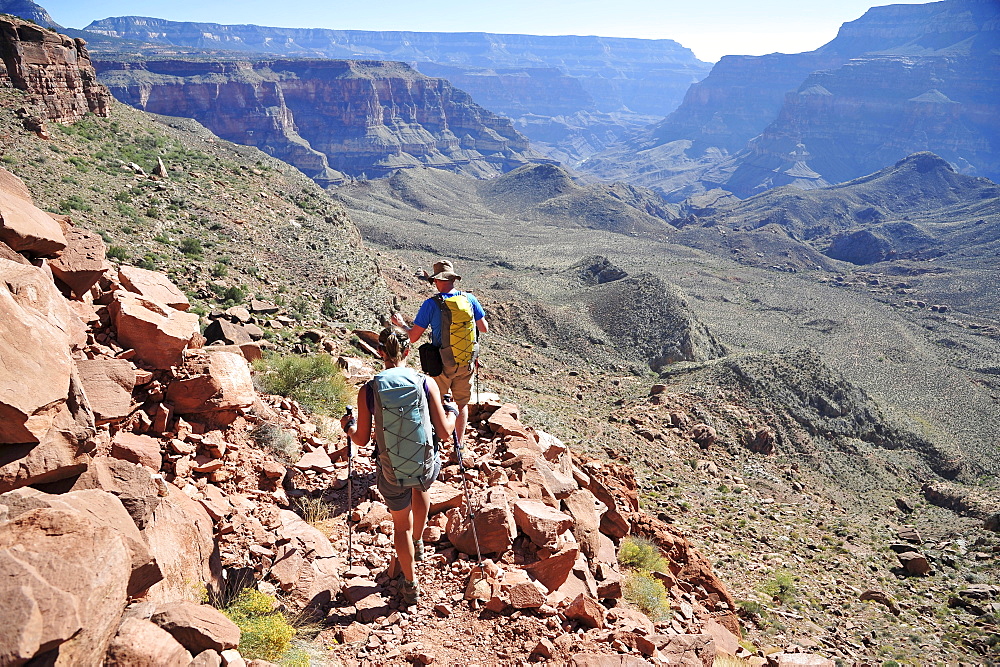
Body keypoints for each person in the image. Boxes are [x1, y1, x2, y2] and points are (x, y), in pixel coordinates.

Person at [341, 327, 458, 604]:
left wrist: (348, 427)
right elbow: (443, 432)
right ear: (407, 352)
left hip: (391, 470)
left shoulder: (368, 390)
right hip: (424, 464)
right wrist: (452, 412)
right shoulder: (426, 382)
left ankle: (410, 584)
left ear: (380, 352)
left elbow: (360, 439)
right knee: (421, 488)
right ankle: (418, 542)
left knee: (400, 527)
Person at [392, 259, 488, 444]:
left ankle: (433, 444)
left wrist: (401, 324)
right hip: (466, 362)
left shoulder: (431, 304)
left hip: (442, 364)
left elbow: (413, 337)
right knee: (461, 404)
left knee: (435, 403)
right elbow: (483, 327)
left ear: (436, 281)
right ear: (453, 279)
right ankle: (458, 446)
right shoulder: (470, 299)